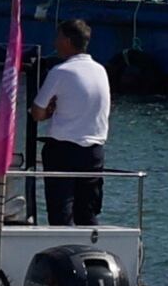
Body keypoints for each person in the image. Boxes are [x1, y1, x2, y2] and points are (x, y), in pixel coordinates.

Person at [31, 19, 112, 225]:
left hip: (63, 150)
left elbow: (37, 113)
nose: (55, 43)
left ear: (67, 41)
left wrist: (51, 110)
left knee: (61, 212)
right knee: (87, 211)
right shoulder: (100, 70)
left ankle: (62, 250)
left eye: (58, 38)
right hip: (94, 151)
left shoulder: (60, 71)